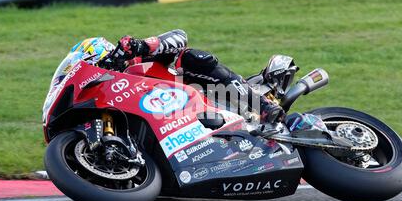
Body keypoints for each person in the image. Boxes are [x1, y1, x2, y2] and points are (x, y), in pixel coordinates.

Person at [57, 29, 283, 123]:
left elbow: (179, 36)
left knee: (192, 57)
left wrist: (141, 46)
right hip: (179, 124)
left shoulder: (136, 62)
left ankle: (260, 103)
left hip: (207, 98)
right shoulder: (109, 97)